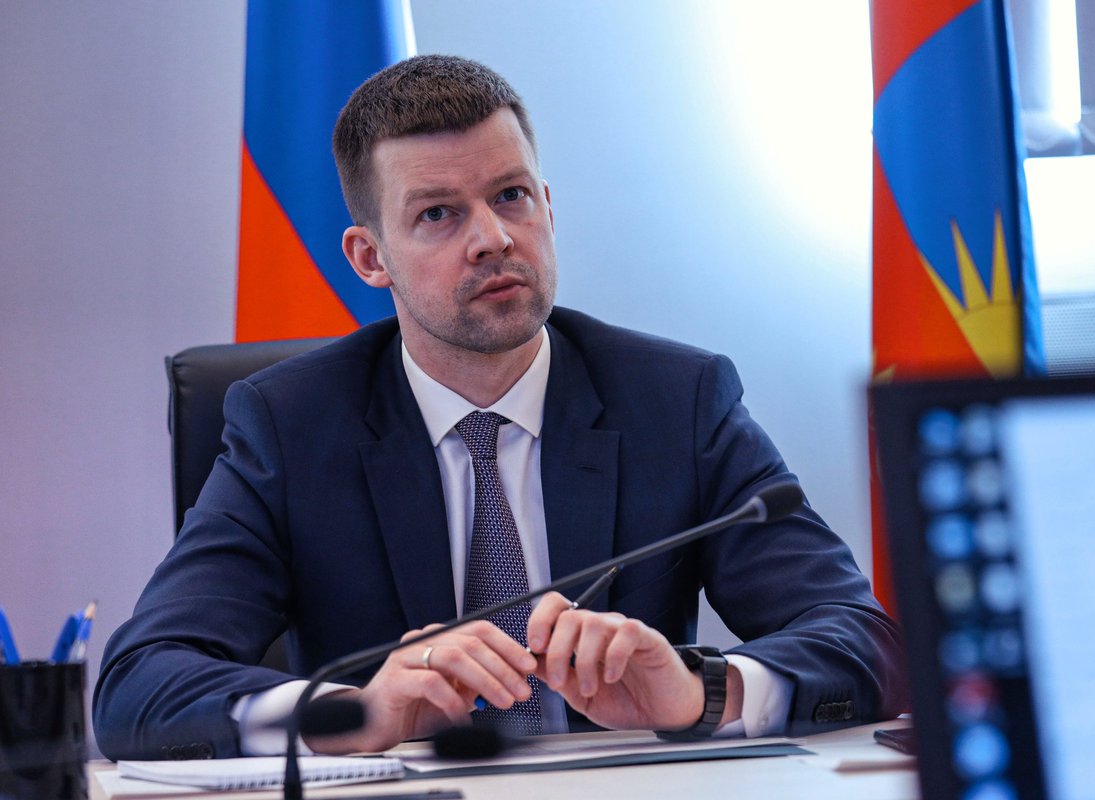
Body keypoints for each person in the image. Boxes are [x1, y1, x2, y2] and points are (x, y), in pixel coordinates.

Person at [93, 55, 905, 760]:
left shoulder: (676, 401)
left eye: (511, 196)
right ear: (370, 257)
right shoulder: (291, 425)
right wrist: (355, 711)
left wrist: (702, 693)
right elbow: (140, 683)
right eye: (438, 214)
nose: (493, 238)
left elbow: (867, 640)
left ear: (547, 206)